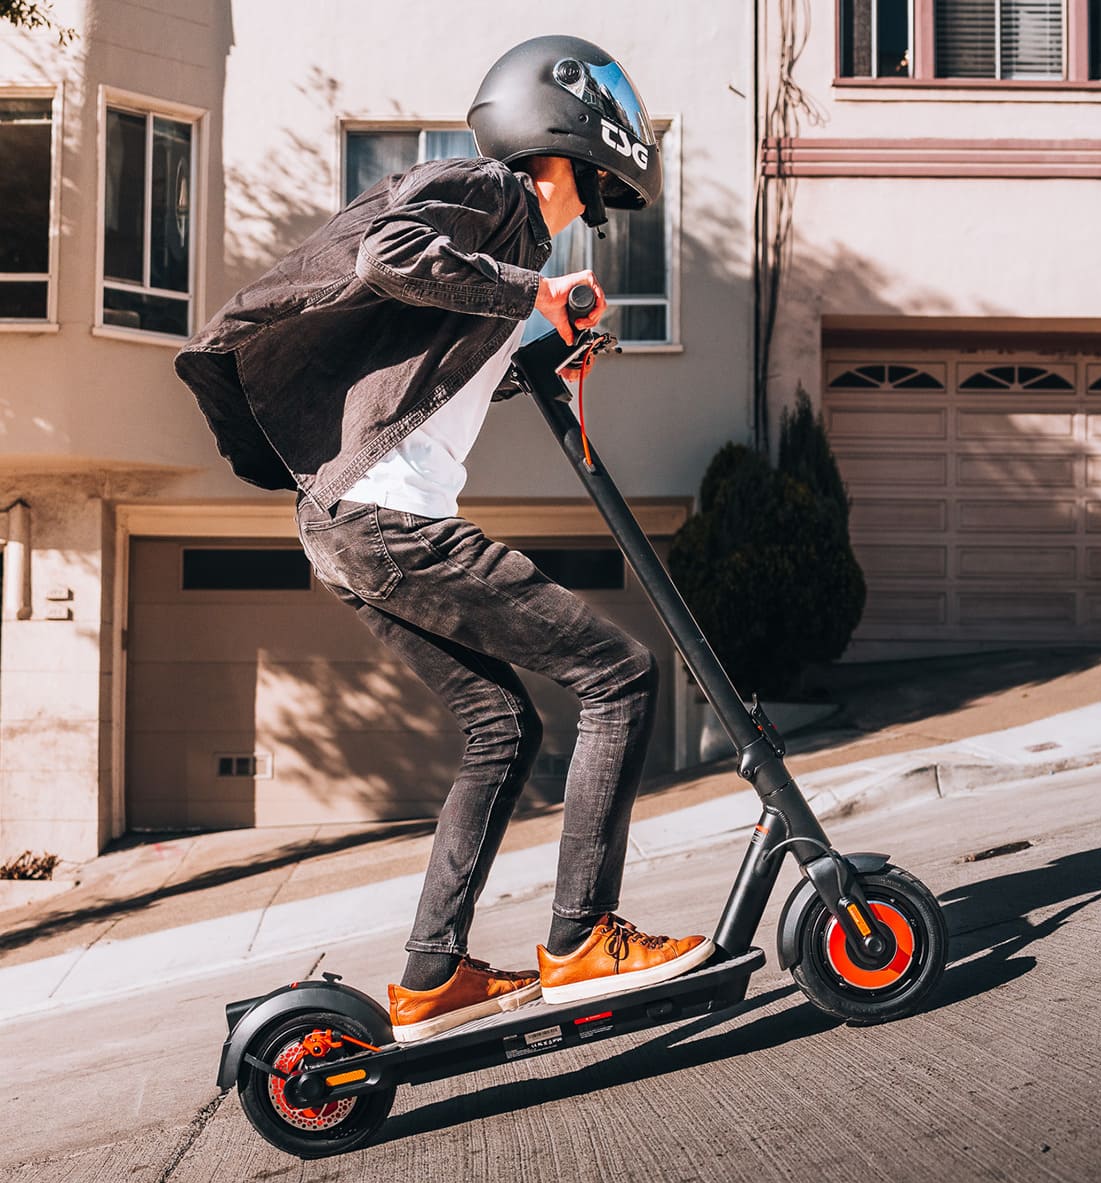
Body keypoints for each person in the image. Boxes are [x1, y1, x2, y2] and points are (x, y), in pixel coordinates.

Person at [175, 35, 713, 1043]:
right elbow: (391, 257)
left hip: (348, 521)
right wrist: (533, 296)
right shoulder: (487, 191)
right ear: (573, 152)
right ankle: (585, 936)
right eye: (598, 185)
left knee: (503, 729)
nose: (593, 208)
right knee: (621, 676)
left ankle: (433, 976)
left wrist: (542, 342)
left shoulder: (507, 257)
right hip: (385, 516)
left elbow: (439, 382)